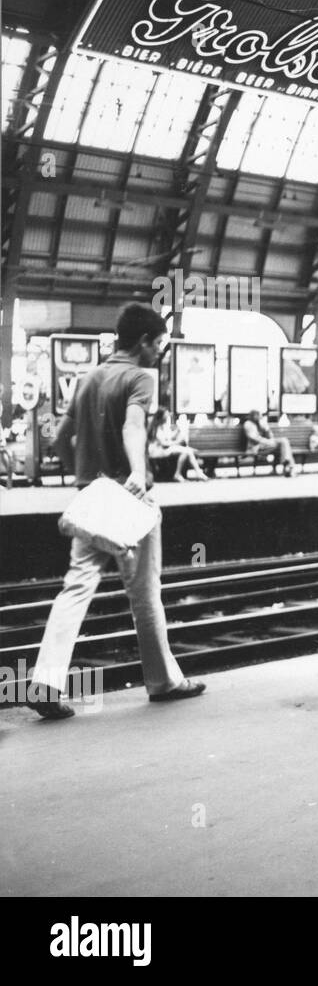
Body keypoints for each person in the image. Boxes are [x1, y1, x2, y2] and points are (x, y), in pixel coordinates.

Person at [27, 303, 205, 719]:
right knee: (144, 592)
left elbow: (61, 439)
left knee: (76, 587)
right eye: (159, 344)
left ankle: (45, 681)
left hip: (92, 497)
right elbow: (133, 425)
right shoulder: (141, 376)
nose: (160, 352)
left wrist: (81, 480)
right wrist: (138, 473)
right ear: (143, 341)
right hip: (128, 498)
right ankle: (163, 682)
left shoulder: (89, 377)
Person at [148, 410, 208, 482]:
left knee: (186, 452)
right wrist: (176, 442)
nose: (168, 416)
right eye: (166, 414)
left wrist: (178, 431)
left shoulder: (162, 426)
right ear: (161, 416)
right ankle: (197, 473)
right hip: (157, 451)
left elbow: (168, 437)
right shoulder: (157, 428)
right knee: (187, 450)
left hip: (163, 449)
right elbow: (164, 443)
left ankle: (179, 474)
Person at [242, 409, 297, 477]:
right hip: (256, 448)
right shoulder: (248, 424)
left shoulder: (261, 423)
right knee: (284, 444)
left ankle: (287, 463)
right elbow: (254, 438)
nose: (260, 416)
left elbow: (271, 436)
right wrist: (268, 442)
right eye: (259, 415)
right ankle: (289, 466)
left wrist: (267, 429)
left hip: (266, 446)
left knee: (284, 442)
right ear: (254, 415)